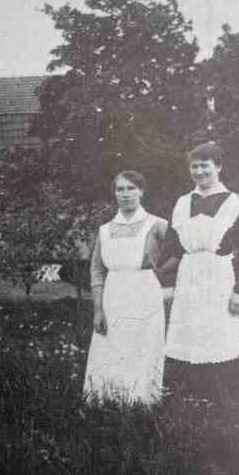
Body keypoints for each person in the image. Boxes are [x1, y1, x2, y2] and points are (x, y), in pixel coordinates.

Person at [162, 142, 239, 398]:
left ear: (218, 167)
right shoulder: (182, 203)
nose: (199, 172)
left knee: (223, 333)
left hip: (221, 278)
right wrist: (166, 283)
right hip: (189, 278)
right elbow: (172, 249)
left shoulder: (233, 202)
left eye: (204, 166)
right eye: (194, 166)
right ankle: (191, 395)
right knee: (190, 333)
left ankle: (228, 397)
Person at [83, 171, 168, 405]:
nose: (126, 194)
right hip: (113, 296)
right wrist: (98, 310)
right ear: (115, 194)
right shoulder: (104, 230)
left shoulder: (157, 224)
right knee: (110, 349)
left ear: (142, 191)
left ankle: (142, 405)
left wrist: (163, 280)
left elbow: (179, 255)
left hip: (145, 293)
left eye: (131, 188)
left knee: (143, 349)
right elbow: (97, 271)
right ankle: (108, 403)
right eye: (120, 189)